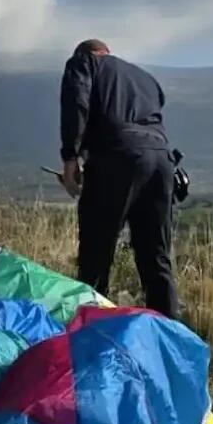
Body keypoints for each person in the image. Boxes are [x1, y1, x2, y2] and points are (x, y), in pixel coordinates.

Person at [59, 39, 180, 319]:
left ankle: (91, 327)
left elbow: (77, 103)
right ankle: (169, 331)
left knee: (96, 251)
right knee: (156, 257)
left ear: (85, 53)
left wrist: (70, 158)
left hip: (117, 155)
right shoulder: (146, 78)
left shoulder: (84, 63)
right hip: (162, 161)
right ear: (107, 53)